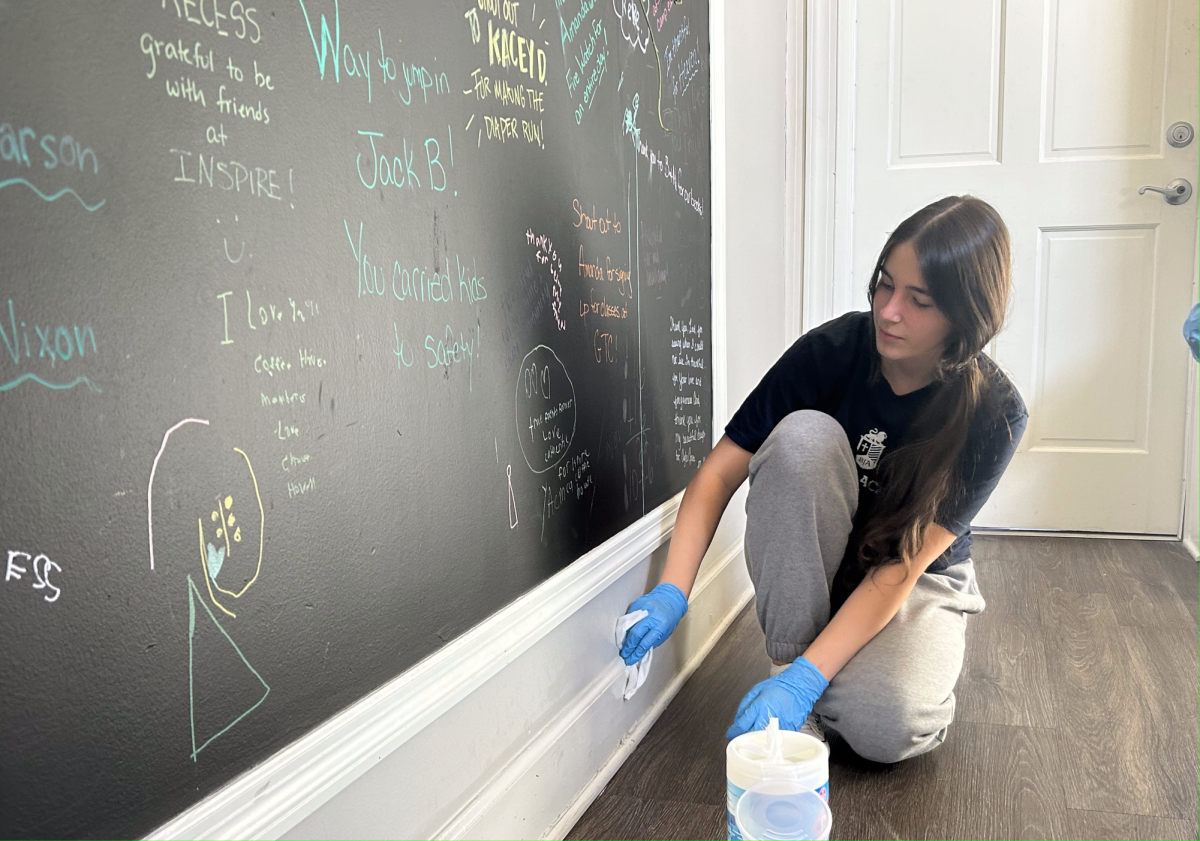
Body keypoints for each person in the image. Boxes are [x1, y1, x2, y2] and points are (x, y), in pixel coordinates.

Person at [619, 196, 1028, 763]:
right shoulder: (828, 353)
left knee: (890, 727)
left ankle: (830, 671)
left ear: (966, 316)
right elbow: (718, 473)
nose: (889, 312)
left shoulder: (996, 414)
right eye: (885, 285)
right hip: (817, 559)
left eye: (920, 301)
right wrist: (673, 588)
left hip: (912, 576)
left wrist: (812, 679)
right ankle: (793, 666)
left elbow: (901, 566)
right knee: (801, 437)